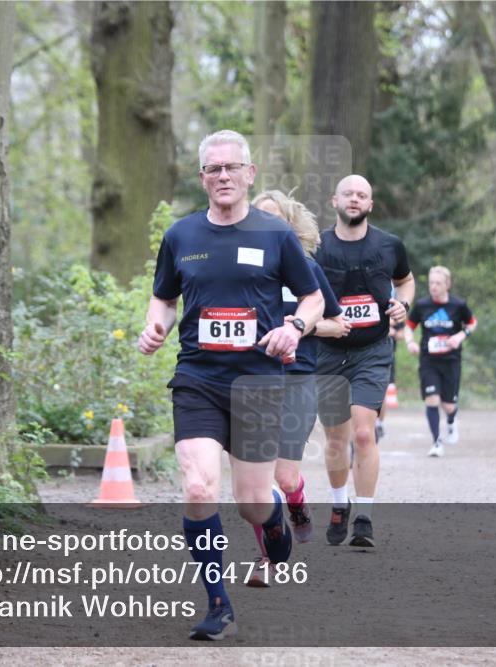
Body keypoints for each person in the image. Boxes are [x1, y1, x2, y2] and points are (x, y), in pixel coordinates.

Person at [138, 130, 324, 640]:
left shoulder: (275, 234)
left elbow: (312, 298)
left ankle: (275, 519)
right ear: (202, 177)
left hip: (257, 382)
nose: (223, 176)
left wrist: (294, 327)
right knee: (199, 486)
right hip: (197, 378)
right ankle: (218, 604)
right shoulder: (180, 236)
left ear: (249, 174)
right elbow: (164, 298)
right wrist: (156, 325)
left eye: (231, 167)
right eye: (213, 169)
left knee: (251, 503)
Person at [246, 189, 348, 586]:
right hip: (254, 379)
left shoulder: (305, 268)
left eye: (275, 219)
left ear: (289, 227)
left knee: (285, 478)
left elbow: (338, 325)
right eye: (258, 218)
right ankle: (266, 558)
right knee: (257, 481)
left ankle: (297, 500)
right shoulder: (241, 271)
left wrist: (300, 326)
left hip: (298, 380)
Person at [315, 175, 414, 548]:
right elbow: (303, 297)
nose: (354, 199)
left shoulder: (389, 245)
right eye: (348, 194)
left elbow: (405, 281)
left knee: (362, 433)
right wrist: (320, 324)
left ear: (370, 204)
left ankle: (364, 518)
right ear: (334, 200)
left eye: (362, 195)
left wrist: (403, 304)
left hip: (372, 350)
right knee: (336, 438)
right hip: (327, 352)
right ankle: (340, 503)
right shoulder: (316, 247)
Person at [405, 266, 476, 458]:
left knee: (448, 405)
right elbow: (409, 326)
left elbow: (472, 323)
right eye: (431, 283)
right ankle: (436, 442)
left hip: (451, 361)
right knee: (432, 399)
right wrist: (410, 342)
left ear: (447, 285)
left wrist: (460, 336)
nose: (433, 287)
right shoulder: (422, 305)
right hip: (428, 360)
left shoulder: (458, 305)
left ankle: (451, 420)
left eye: (438, 283)